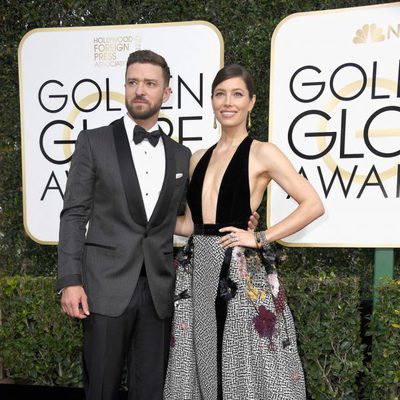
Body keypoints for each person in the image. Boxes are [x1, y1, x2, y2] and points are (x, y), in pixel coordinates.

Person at [57, 50, 259, 400]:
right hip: (104, 289)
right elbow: (74, 214)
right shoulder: (95, 142)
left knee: (151, 390)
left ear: (165, 94)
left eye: (150, 84)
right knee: (100, 387)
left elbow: (188, 222)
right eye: (133, 82)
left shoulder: (181, 156)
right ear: (124, 87)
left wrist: (242, 221)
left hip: (159, 292)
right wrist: (70, 280)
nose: (140, 90)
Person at [163, 64, 325, 399]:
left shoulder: (263, 152)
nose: (228, 102)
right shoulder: (198, 158)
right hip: (197, 272)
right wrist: (142, 221)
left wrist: (261, 237)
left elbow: (312, 204)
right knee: (203, 360)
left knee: (241, 363)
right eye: (220, 94)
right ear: (211, 101)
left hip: (237, 273)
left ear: (251, 102)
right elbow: (191, 225)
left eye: (237, 94)